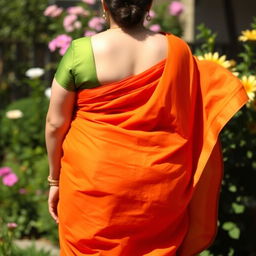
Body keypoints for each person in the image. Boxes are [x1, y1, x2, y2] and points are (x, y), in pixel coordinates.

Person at [45, 0, 248, 255]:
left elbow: (55, 123)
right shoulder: (177, 50)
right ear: (149, 4)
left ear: (105, 5)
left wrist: (54, 180)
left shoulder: (81, 51)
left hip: (93, 184)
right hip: (159, 188)